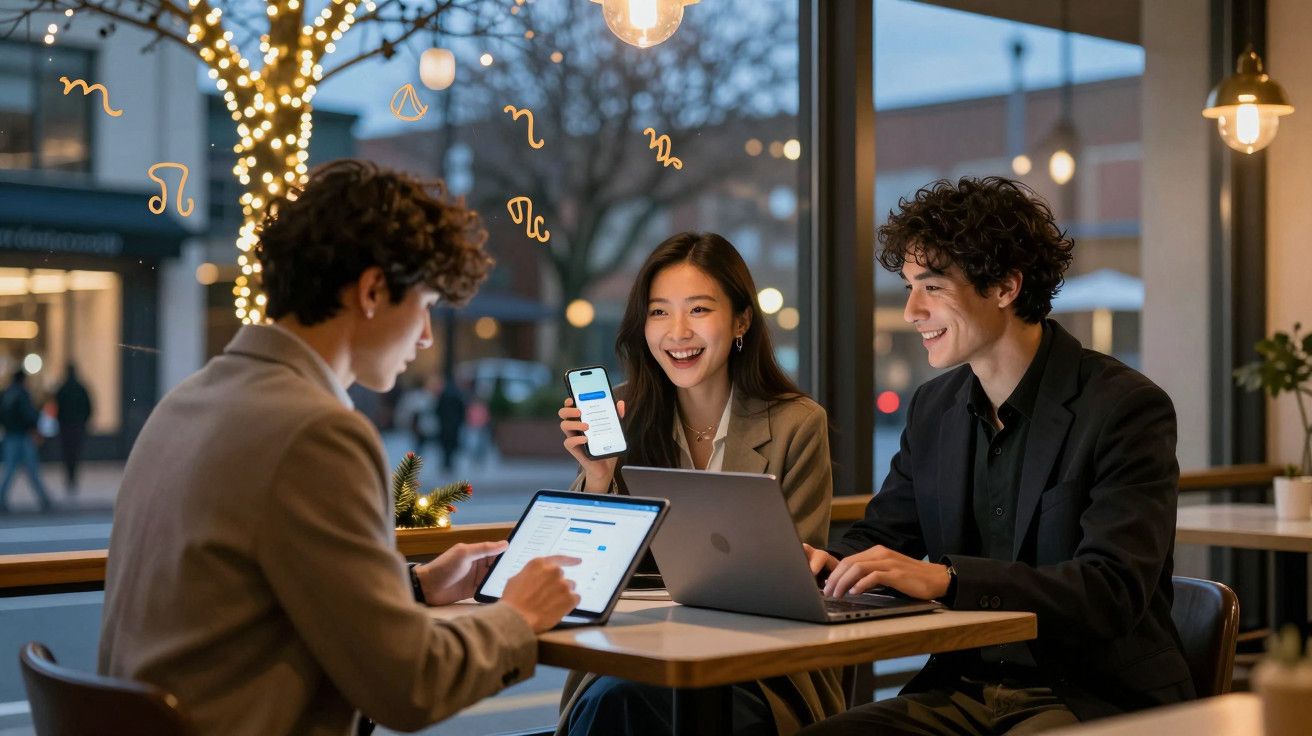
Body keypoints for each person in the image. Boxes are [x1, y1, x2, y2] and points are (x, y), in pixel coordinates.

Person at [98, 160, 582, 736]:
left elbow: (259, 609)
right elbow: (408, 687)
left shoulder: (186, 402)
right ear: (373, 290)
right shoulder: (317, 431)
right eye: (425, 306)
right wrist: (518, 616)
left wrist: (415, 589)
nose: (426, 336)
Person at [799, 177, 1193, 736]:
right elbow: (886, 536)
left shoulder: (1125, 407)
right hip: (962, 691)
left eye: (931, 287)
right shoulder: (935, 408)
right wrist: (827, 564)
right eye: (910, 286)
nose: (911, 310)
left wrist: (948, 579)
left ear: (1006, 286)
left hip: (1090, 695)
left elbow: (1110, 591)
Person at [556, 232, 841, 736]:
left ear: (741, 320)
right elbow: (581, 578)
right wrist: (599, 479)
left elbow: (795, 583)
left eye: (699, 310)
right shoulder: (623, 415)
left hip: (758, 668)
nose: (678, 333)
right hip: (634, 655)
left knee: (638, 706)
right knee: (623, 699)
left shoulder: (798, 424)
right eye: (660, 312)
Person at [0, 369, 52, 513]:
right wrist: (36, 425)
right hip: (23, 436)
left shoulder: (6, 394)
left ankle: (1, 499)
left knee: (9, 469)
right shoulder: (22, 394)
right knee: (32, 469)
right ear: (23, 380)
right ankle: (44, 499)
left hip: (10, 435)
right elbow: (29, 414)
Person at [54, 363, 93, 495]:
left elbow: (56, 408)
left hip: (66, 426)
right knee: (75, 453)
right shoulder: (80, 388)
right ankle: (72, 478)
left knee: (67, 454)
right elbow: (88, 407)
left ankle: (70, 478)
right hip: (77, 426)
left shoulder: (62, 388)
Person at [435, 376, 467, 472]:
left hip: (444, 424)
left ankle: (446, 463)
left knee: (445, 445)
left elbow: (438, 409)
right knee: (451, 445)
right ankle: (449, 463)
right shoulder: (457, 394)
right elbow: (461, 410)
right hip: (454, 424)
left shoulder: (443, 395)